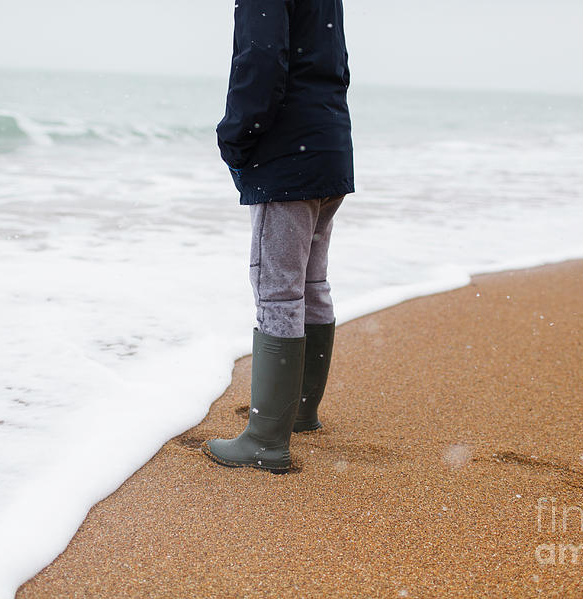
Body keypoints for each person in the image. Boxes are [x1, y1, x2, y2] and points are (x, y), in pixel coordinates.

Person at [202, 0, 354, 473]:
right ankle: (302, 412)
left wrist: (235, 138)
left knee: (278, 291)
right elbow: (336, 65)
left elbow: (261, 60)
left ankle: (267, 439)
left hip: (287, 154)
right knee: (311, 284)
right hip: (328, 145)